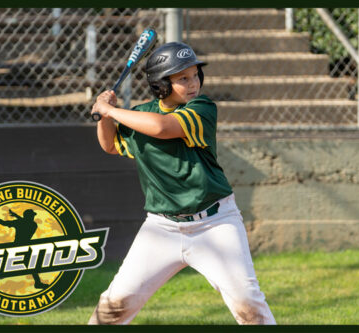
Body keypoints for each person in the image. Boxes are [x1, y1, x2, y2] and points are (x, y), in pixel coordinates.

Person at [88, 41, 276, 325]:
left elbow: (163, 128)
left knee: (249, 306)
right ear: (161, 85)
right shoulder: (140, 114)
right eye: (182, 78)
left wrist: (112, 111)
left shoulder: (202, 108)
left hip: (215, 223)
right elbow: (111, 146)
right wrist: (104, 114)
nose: (193, 84)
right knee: (114, 305)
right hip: (161, 228)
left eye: (195, 75)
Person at [0, 208, 49, 289]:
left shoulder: (27, 223)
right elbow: (24, 222)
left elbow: (4, 223)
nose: (33, 217)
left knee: (30, 266)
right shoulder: (32, 224)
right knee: (13, 268)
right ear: (28, 216)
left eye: (33, 216)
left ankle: (37, 283)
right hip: (20, 249)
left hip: (19, 247)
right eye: (32, 215)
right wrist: (16, 216)